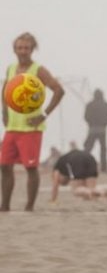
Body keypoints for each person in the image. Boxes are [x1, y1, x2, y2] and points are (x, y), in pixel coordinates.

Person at [1, 32, 65, 211]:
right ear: (14, 49)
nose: (23, 51)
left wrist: (44, 114)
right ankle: (4, 206)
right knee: (4, 166)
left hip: (31, 128)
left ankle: (29, 207)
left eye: (26, 48)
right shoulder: (11, 68)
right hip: (12, 127)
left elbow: (59, 90)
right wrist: (4, 113)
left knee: (31, 168)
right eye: (19, 47)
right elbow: (5, 91)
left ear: (32, 49)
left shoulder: (38, 70)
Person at [83, 88, 107, 174]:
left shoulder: (89, 105)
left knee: (88, 148)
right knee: (103, 150)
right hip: (102, 130)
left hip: (92, 129)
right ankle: (104, 168)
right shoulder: (106, 105)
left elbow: (86, 117)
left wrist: (90, 123)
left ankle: (84, 166)